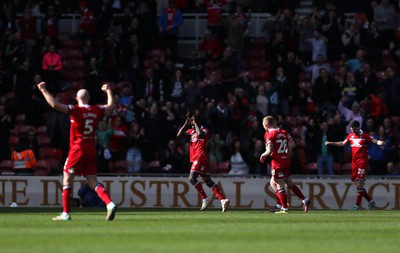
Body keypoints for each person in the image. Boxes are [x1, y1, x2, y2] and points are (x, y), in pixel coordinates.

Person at [37, 81, 117, 221]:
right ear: (88, 99)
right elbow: (111, 107)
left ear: (77, 98)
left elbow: (55, 105)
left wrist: (43, 90)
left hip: (77, 149)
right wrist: (109, 91)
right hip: (91, 149)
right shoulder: (95, 109)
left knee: (67, 178)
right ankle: (109, 204)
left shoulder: (75, 110)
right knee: (92, 181)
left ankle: (66, 213)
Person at [325, 120, 384, 210]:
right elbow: (343, 143)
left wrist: (378, 142)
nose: (352, 131)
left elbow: (373, 140)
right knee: (358, 186)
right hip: (355, 163)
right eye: (351, 129)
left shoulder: (364, 136)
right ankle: (371, 201)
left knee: (360, 183)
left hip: (362, 162)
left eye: (353, 129)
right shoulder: (350, 136)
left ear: (358, 127)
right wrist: (331, 143)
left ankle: (356, 206)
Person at [176, 116, 230, 212]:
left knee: (192, 178)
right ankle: (222, 199)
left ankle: (205, 198)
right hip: (197, 158)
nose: (192, 123)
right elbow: (178, 135)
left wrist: (196, 123)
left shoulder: (204, 130)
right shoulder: (191, 131)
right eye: (192, 122)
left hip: (200, 156)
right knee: (208, 181)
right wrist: (185, 124)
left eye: (194, 121)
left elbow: (200, 134)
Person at [260, 116, 310, 213]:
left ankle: (284, 208)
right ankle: (304, 200)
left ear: (265, 125)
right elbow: (293, 144)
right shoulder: (284, 132)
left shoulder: (269, 134)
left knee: (280, 186)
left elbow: (269, 150)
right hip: (286, 161)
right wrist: (287, 153)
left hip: (277, 163)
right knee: (283, 183)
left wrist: (263, 155)